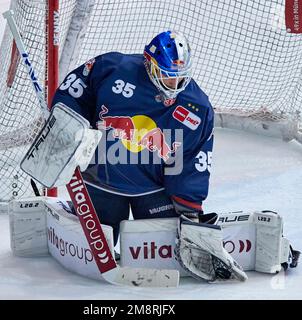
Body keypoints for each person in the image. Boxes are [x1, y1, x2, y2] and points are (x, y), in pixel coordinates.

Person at [51, 31, 214, 243]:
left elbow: (193, 160)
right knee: (91, 243)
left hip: (154, 189)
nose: (174, 84)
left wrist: (189, 210)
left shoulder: (197, 107)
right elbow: (73, 93)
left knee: (159, 248)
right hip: (102, 179)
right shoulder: (112, 69)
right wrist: (69, 125)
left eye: (180, 76)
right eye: (167, 75)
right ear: (149, 64)